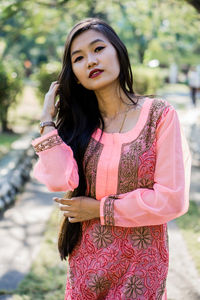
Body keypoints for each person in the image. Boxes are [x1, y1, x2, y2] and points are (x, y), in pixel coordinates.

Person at [31, 18, 191, 300]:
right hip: (87, 268)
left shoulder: (159, 116)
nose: (90, 61)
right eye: (78, 58)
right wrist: (47, 121)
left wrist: (100, 210)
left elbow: (172, 199)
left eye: (98, 49)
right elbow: (58, 180)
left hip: (141, 272)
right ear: (75, 74)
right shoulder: (80, 127)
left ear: (119, 51)